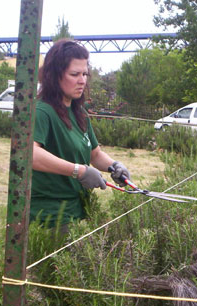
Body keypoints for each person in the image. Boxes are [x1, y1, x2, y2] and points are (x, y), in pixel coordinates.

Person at [30, 39, 131, 229]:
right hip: (51, 217)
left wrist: (114, 166)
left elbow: (95, 154)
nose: (82, 80)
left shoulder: (78, 113)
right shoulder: (42, 112)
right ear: (54, 76)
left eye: (85, 74)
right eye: (74, 74)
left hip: (78, 211)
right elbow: (30, 155)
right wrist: (79, 171)